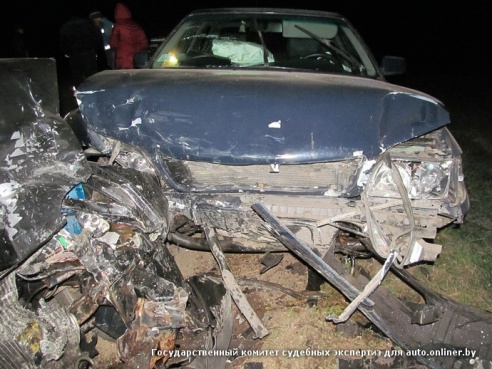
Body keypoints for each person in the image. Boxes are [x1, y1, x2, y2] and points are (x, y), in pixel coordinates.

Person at [60, 16, 107, 86]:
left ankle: (80, 93)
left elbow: (62, 42)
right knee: (91, 75)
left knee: (77, 76)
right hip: (89, 53)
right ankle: (92, 92)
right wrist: (96, 50)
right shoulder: (89, 25)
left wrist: (66, 52)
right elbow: (97, 37)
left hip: (74, 55)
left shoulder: (66, 27)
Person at [109, 3, 148, 69]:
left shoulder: (118, 25)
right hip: (136, 58)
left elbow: (113, 43)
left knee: (124, 77)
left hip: (123, 58)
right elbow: (144, 42)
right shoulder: (135, 24)